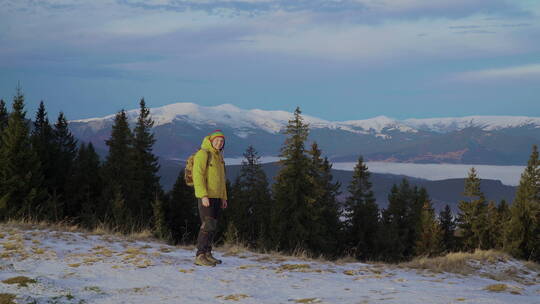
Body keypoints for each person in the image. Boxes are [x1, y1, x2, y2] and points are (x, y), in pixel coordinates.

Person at [192, 130, 228, 266]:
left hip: (217, 197)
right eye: (217, 140)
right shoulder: (203, 154)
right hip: (206, 197)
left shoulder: (219, 156)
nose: (219, 143)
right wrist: (203, 195)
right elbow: (198, 176)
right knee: (207, 226)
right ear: (211, 141)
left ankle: (207, 253)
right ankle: (200, 255)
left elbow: (222, 180)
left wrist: (224, 198)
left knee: (213, 226)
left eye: (222, 141)